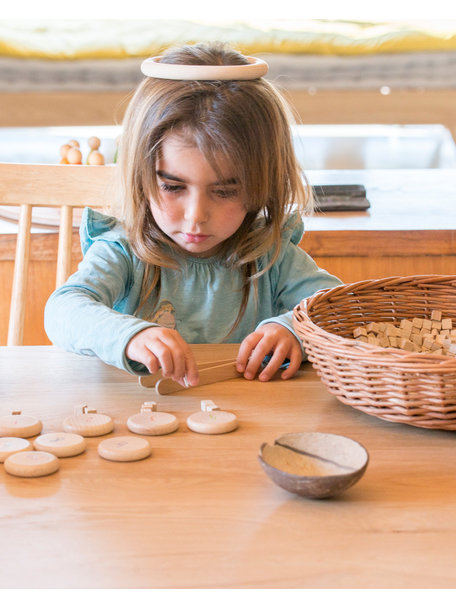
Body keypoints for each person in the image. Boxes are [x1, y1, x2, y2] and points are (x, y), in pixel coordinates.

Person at [44, 42, 341, 387]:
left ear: (263, 185)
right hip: (145, 415)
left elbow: (338, 310)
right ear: (140, 177)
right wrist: (130, 336)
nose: (196, 216)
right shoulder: (124, 250)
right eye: (173, 187)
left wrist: (292, 329)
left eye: (225, 191)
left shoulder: (270, 255)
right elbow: (63, 310)